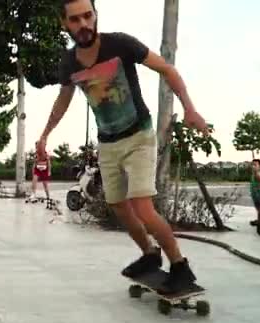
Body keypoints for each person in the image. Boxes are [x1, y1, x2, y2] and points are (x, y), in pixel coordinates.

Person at [36, 0, 209, 294]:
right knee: (118, 204)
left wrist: (190, 109)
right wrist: (44, 135)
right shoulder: (68, 62)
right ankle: (149, 254)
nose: (83, 25)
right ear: (64, 24)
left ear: (96, 16)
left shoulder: (121, 44)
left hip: (139, 135)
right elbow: (64, 99)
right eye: (75, 20)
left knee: (142, 205)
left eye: (88, 16)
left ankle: (180, 265)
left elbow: (167, 69)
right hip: (108, 142)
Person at [250, 159, 260, 226]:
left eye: (255, 165)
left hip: (258, 194)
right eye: (253, 165)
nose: (253, 166)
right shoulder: (254, 173)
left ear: (259, 166)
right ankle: (259, 220)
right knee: (258, 209)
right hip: (254, 194)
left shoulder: (258, 173)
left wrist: (257, 188)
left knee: (259, 209)